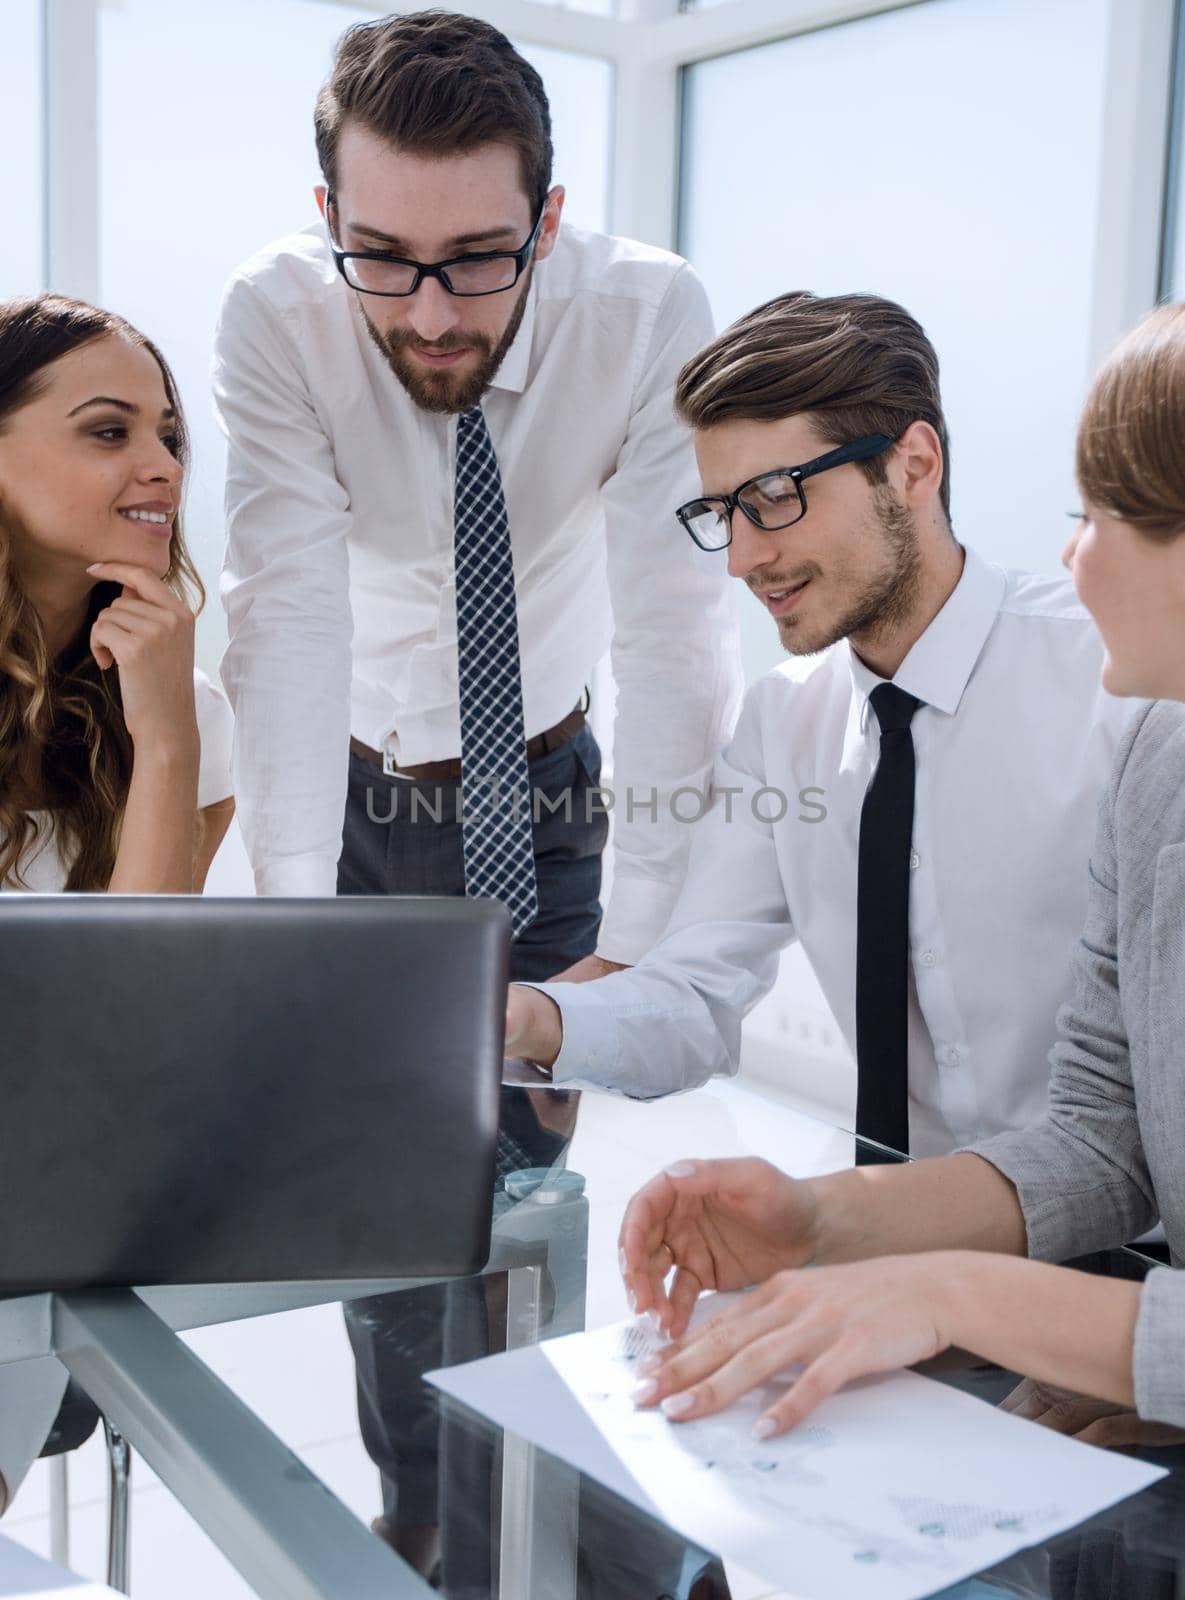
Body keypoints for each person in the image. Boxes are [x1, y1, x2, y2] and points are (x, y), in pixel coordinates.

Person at [212, 11, 739, 1585]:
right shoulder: (278, 318)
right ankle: (423, 1513)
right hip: (362, 796)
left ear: (550, 219)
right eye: (383, 256)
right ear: (328, 223)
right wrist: (299, 942)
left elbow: (674, 629)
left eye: (478, 259)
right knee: (388, 1185)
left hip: (550, 791)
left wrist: (635, 948)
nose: (431, 313)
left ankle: (526, 1514)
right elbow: (286, 618)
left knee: (519, 1174)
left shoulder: (648, 312)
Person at [615, 300, 1185, 1445]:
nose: (1071, 554)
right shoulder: (1161, 754)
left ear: (913, 463)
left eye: (1108, 512)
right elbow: (1101, 1135)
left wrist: (968, 1297)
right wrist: (816, 1222)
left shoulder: (1099, 702)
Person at [507, 290, 1130, 1164]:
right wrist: (524, 1018)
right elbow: (693, 1001)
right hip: (897, 1239)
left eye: (772, 496)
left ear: (913, 466)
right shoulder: (784, 722)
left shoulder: (1114, 683)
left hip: (1131, 1247)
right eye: (721, 511)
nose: (740, 559)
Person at [0, 292, 234, 1515]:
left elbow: (135, 1007)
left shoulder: (186, 709)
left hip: (47, 1191)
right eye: (108, 432)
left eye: (171, 433)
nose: (160, 468)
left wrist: (168, 731)